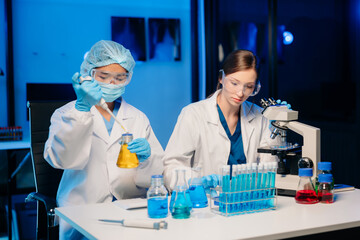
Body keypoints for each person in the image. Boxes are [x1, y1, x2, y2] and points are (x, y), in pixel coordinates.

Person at [44, 40, 164, 239]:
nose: (111, 83)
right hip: (84, 213)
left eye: (119, 77)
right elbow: (61, 160)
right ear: (89, 74)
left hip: (130, 210)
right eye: (104, 76)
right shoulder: (66, 113)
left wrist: (147, 159)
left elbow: (155, 177)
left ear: (128, 78)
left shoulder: (138, 117)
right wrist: (82, 109)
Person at [163, 50, 284, 191]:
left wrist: (277, 128)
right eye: (234, 83)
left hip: (247, 201)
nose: (240, 92)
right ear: (221, 78)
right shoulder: (193, 114)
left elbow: (269, 170)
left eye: (249, 86)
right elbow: (171, 167)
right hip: (206, 204)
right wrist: (195, 182)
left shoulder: (261, 117)